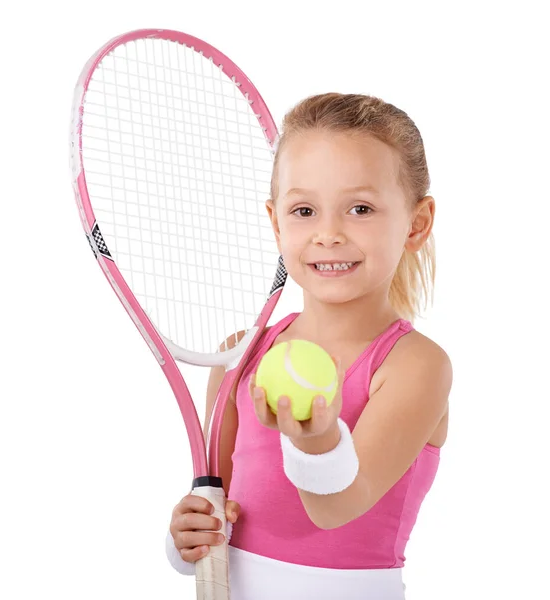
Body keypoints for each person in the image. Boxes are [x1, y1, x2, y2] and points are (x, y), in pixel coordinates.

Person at [166, 92, 453, 599]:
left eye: (360, 208)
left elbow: (338, 507)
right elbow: (221, 509)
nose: (327, 233)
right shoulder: (239, 356)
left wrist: (315, 440)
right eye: (304, 210)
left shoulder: (414, 366)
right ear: (276, 222)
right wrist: (187, 540)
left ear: (417, 223)